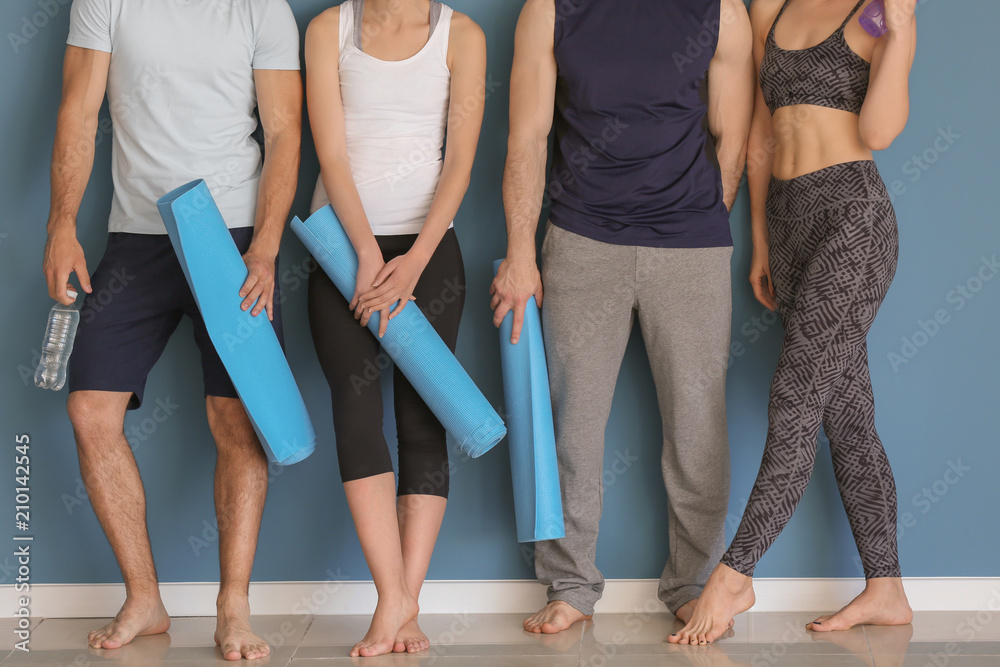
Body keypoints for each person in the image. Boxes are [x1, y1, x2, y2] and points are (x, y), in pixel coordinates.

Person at [41, 0, 302, 660]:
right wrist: (61, 223)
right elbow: (79, 109)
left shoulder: (261, 9)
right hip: (138, 235)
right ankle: (145, 596)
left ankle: (233, 606)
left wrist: (267, 246)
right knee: (90, 410)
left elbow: (286, 131)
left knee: (235, 420)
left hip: (234, 240)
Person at [492, 0, 755, 634]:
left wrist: (694, 215)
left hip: (690, 242)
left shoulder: (721, 12)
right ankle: (570, 584)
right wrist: (522, 253)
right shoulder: (549, 11)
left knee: (698, 424)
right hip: (581, 239)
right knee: (571, 423)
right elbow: (526, 136)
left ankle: (694, 582)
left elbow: (733, 133)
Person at [669, 0, 917, 645]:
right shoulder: (770, 9)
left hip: (851, 216)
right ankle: (887, 589)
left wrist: (905, 27)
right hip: (787, 221)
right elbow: (757, 133)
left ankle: (733, 576)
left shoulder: (876, 13)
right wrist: (759, 241)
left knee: (795, 398)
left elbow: (882, 131)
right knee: (847, 415)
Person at [304, 0, 486, 657]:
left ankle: (402, 602)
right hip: (340, 251)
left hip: (430, 255)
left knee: (421, 419)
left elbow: (460, 161)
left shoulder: (462, 35)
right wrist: (367, 256)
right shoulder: (330, 29)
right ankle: (395, 598)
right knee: (354, 414)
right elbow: (329, 151)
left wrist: (415, 260)